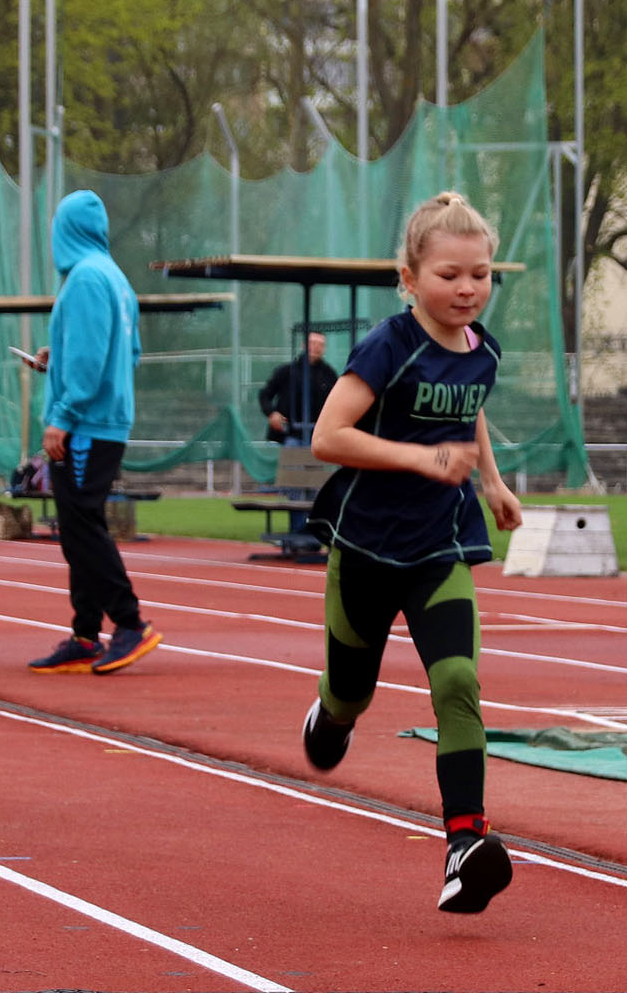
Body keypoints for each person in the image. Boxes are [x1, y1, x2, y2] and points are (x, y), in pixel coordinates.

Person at [302, 191, 524, 914]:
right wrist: (420, 458)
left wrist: (492, 482)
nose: (467, 289)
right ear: (409, 278)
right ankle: (331, 713)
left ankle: (464, 845)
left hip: (440, 546)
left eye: (480, 275)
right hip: (367, 547)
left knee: (458, 680)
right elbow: (328, 437)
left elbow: (472, 409)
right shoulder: (387, 346)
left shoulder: (484, 349)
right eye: (449, 275)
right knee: (351, 694)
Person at [24, 189, 162, 676]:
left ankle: (129, 623)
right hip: (105, 420)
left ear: (65, 231)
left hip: (85, 425)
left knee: (82, 525)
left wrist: (63, 413)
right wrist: (57, 360)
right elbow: (127, 353)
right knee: (78, 528)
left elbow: (88, 358)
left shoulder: (84, 278)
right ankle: (85, 634)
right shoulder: (116, 279)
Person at [258, 331, 339, 444]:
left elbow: (338, 401)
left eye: (321, 344)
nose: (316, 347)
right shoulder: (286, 371)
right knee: (292, 453)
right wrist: (272, 413)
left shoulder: (329, 375)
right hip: (289, 435)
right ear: (304, 345)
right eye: (312, 343)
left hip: (319, 435)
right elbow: (265, 394)